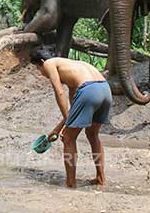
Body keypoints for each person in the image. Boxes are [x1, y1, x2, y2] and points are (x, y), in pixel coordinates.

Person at [31, 48, 113, 188]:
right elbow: (73, 110)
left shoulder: (49, 64)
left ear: (42, 62)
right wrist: (58, 128)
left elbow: (59, 91)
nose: (41, 73)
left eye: (38, 69)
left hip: (89, 91)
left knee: (68, 138)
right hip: (105, 89)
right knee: (93, 135)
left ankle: (71, 183)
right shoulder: (72, 67)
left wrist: (66, 126)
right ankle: (101, 179)